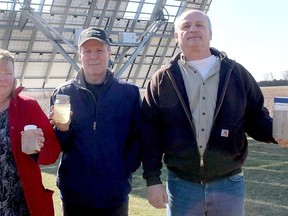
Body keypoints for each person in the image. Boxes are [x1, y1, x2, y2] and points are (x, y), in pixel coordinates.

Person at [139, 9, 288, 216]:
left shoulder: (236, 73)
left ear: (210, 33)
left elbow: (255, 118)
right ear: (176, 36)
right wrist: (152, 179)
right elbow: (150, 133)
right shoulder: (163, 79)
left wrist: (277, 133)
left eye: (199, 25)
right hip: (182, 185)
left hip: (229, 183)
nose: (193, 30)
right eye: (185, 26)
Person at [49, 27, 141, 215]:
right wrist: (63, 131)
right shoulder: (63, 94)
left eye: (99, 50)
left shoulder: (129, 93)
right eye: (87, 51)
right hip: (75, 193)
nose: (93, 56)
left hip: (114, 194)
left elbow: (139, 137)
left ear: (109, 53)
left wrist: (123, 169)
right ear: (79, 55)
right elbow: (57, 145)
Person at [0, 49, 61, 215]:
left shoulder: (28, 106)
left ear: (14, 78)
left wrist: (37, 149)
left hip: (21, 206)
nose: (2, 78)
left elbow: (53, 149)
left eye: (8, 72)